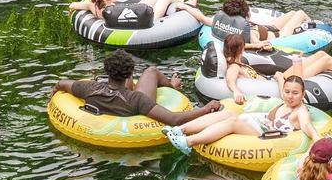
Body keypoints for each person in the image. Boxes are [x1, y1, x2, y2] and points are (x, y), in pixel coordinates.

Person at [54, 50, 220, 127]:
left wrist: (53, 98)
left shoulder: (89, 87)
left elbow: (61, 84)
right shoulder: (137, 100)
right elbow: (173, 120)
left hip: (109, 97)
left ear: (107, 71)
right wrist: (206, 108)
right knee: (151, 71)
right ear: (130, 73)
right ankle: (173, 86)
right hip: (127, 104)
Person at [213, 32, 332, 103]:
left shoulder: (236, 58)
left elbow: (242, 47)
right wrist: (235, 91)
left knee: (322, 55)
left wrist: (256, 45)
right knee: (325, 61)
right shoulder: (234, 66)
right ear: (238, 49)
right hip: (281, 84)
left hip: (277, 78)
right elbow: (230, 79)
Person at [179, 72, 323, 148]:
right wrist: (279, 77)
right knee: (228, 113)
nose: (290, 96)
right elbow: (283, 88)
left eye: (295, 93)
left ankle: (189, 141)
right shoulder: (285, 101)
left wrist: (316, 138)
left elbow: (306, 125)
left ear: (303, 95)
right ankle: (181, 129)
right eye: (287, 92)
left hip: (264, 136)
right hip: (259, 124)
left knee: (233, 122)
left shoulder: (300, 111)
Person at [174, 0, 310, 47]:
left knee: (291, 14)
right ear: (245, 16)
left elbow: (201, 17)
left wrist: (185, 6)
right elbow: (260, 44)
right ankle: (312, 27)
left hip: (268, 28)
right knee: (299, 13)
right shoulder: (248, 32)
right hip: (279, 35)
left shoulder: (219, 22)